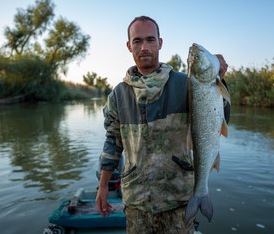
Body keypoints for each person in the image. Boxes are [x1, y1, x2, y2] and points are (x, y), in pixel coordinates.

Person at [95, 15, 230, 233]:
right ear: (129, 46)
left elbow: (218, 120)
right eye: (137, 41)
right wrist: (102, 187)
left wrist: (219, 81)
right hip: (137, 204)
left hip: (179, 200)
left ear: (160, 42)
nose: (144, 47)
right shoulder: (118, 95)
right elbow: (112, 143)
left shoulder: (187, 84)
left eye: (150, 39)